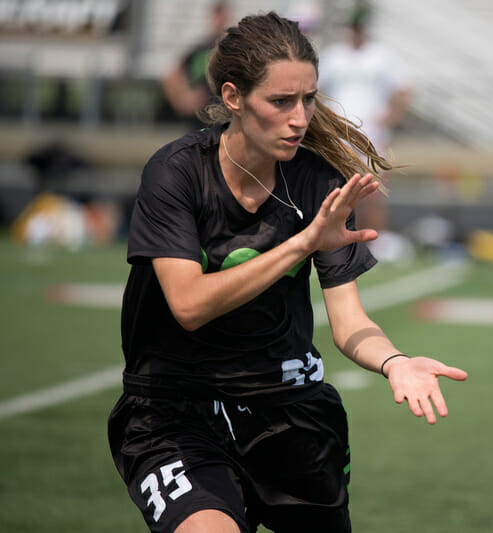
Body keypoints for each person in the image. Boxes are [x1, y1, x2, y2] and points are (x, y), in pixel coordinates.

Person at [108, 11, 467, 533]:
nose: (300, 118)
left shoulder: (319, 183)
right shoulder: (177, 172)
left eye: (309, 99)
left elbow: (348, 322)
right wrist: (302, 242)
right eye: (281, 102)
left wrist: (395, 362)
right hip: (173, 413)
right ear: (233, 97)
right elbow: (187, 304)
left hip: (289, 413)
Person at [318, 3, 413, 257]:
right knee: (338, 188)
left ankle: (375, 240)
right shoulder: (333, 56)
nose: (356, 32)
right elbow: (314, 88)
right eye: (353, 27)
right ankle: (338, 239)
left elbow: (404, 90)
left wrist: (391, 117)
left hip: (371, 135)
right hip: (339, 136)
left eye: (360, 28)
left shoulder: (381, 56)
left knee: (374, 190)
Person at [160, 1, 230, 129]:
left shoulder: (231, 49)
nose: (219, 21)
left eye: (222, 16)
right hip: (200, 119)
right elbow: (171, 76)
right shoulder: (200, 50)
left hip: (225, 117)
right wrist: (182, 98)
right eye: (216, 16)